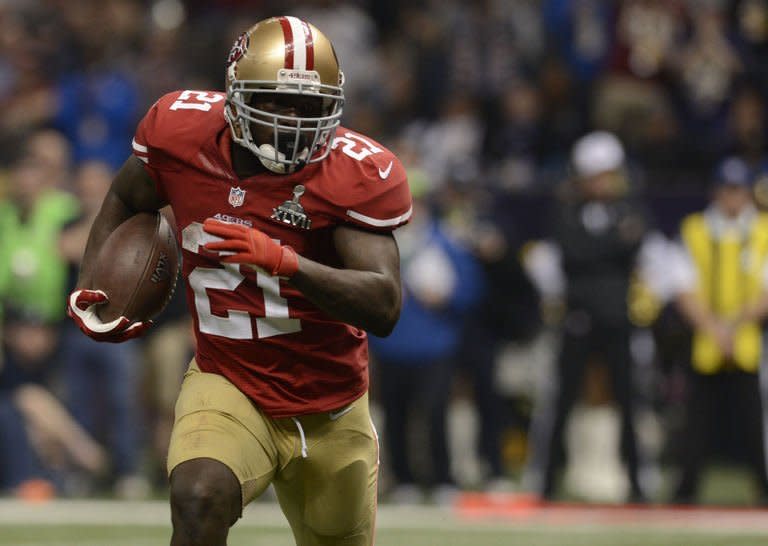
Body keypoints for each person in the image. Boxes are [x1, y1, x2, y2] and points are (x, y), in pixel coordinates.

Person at [66, 16, 411, 546]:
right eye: (276, 102)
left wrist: (286, 262)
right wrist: (98, 287)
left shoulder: (353, 173)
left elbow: (384, 305)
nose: (295, 120)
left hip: (331, 404)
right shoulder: (178, 134)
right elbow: (124, 198)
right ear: (234, 95)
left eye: (312, 106)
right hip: (229, 381)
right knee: (198, 495)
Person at [529, 131, 649, 503]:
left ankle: (639, 485)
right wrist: (612, 246)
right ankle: (546, 482)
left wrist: (599, 251)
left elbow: (629, 249)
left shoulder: (631, 210)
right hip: (578, 318)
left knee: (630, 402)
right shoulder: (566, 212)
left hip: (616, 317)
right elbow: (573, 255)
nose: (604, 182)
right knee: (561, 400)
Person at [669, 156, 768, 504]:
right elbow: (683, 286)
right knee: (696, 421)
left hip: (747, 339)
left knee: (756, 420)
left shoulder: (763, 230)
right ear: (715, 191)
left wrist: (733, 326)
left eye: (738, 190)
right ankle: (685, 491)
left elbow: (766, 291)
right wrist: (715, 329)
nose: (732, 198)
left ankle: (764, 487)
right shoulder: (695, 228)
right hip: (706, 339)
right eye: (727, 189)